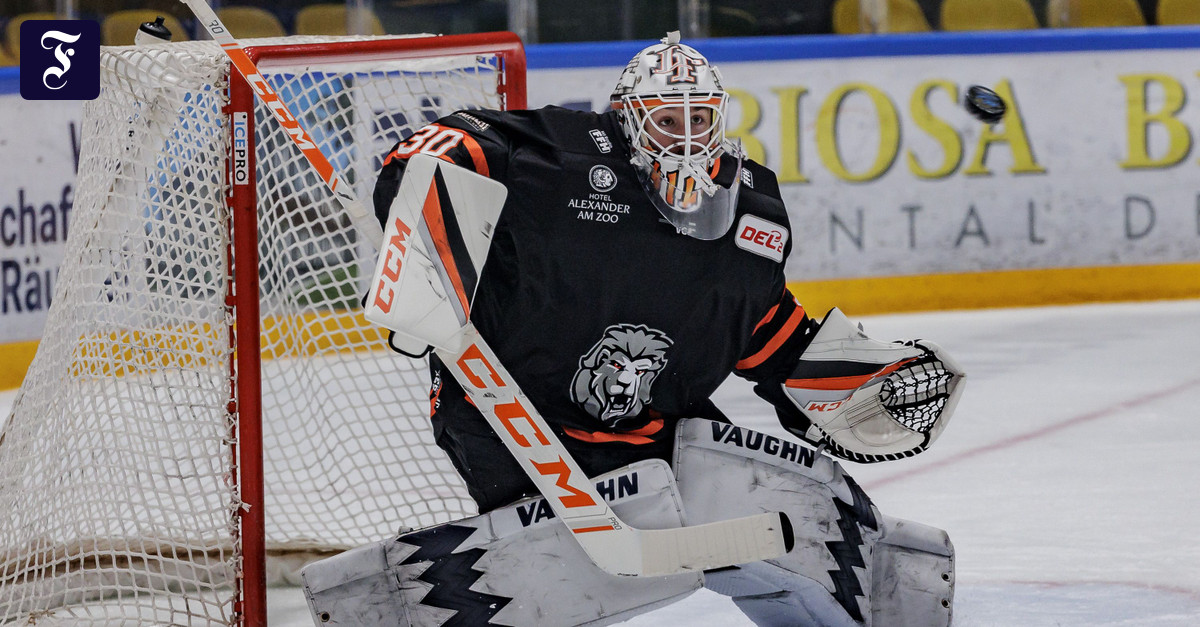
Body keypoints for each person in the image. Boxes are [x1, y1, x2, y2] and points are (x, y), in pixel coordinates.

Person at [304, 32, 964, 627]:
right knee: (560, 574)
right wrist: (427, 238)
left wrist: (849, 382)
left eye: (699, 119)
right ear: (628, 119)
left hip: (657, 435)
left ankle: (876, 592)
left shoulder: (750, 217)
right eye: (667, 119)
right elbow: (449, 144)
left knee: (782, 499)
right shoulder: (562, 162)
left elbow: (767, 329)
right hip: (512, 421)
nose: (684, 138)